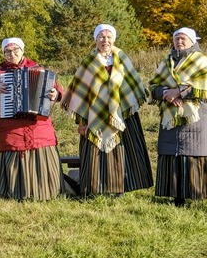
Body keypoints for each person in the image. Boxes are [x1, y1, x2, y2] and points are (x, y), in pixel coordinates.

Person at [61, 24, 153, 197]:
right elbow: (80, 92)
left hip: (122, 114)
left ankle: (119, 188)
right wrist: (81, 121)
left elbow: (134, 85)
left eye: (108, 37)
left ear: (114, 39)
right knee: (95, 153)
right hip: (93, 116)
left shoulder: (122, 58)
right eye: (101, 37)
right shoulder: (89, 62)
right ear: (96, 40)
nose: (105, 40)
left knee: (121, 150)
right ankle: (95, 190)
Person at [0, 37, 64, 200]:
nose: (11, 54)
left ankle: (46, 192)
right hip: (12, 126)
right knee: (15, 151)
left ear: (22, 51)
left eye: (15, 50)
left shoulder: (38, 69)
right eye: (7, 51)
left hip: (38, 125)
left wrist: (55, 94)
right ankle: (16, 193)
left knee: (41, 152)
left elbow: (58, 90)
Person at [148, 27, 207, 206]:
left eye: (183, 38)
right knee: (171, 154)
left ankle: (197, 194)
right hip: (171, 115)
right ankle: (176, 196)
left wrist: (179, 92)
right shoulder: (167, 61)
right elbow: (154, 85)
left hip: (197, 116)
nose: (179, 41)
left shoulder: (202, 60)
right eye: (176, 38)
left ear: (192, 41)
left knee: (194, 152)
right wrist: (167, 92)